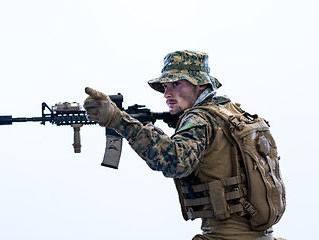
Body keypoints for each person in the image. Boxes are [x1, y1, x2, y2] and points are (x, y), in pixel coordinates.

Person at [83, 50, 277, 240]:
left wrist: (118, 119)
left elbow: (174, 161)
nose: (167, 94)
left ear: (200, 84)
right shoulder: (231, 111)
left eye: (176, 84)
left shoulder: (200, 119)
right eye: (165, 86)